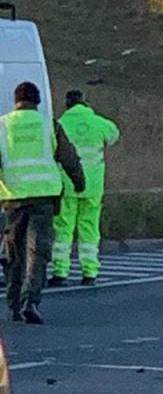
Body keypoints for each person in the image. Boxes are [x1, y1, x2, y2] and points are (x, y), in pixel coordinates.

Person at [0, 82, 84, 324]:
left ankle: (13, 305)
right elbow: (69, 157)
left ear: (15, 101)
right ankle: (30, 301)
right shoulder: (49, 125)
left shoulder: (3, 125)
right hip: (43, 200)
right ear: (37, 101)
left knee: (15, 254)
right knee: (38, 252)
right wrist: (79, 182)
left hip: (12, 200)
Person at [48, 90, 120, 287]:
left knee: (63, 229)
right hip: (94, 186)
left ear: (67, 104)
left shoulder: (60, 123)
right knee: (89, 229)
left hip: (67, 184)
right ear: (84, 102)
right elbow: (114, 135)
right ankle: (90, 272)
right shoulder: (98, 122)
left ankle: (60, 272)